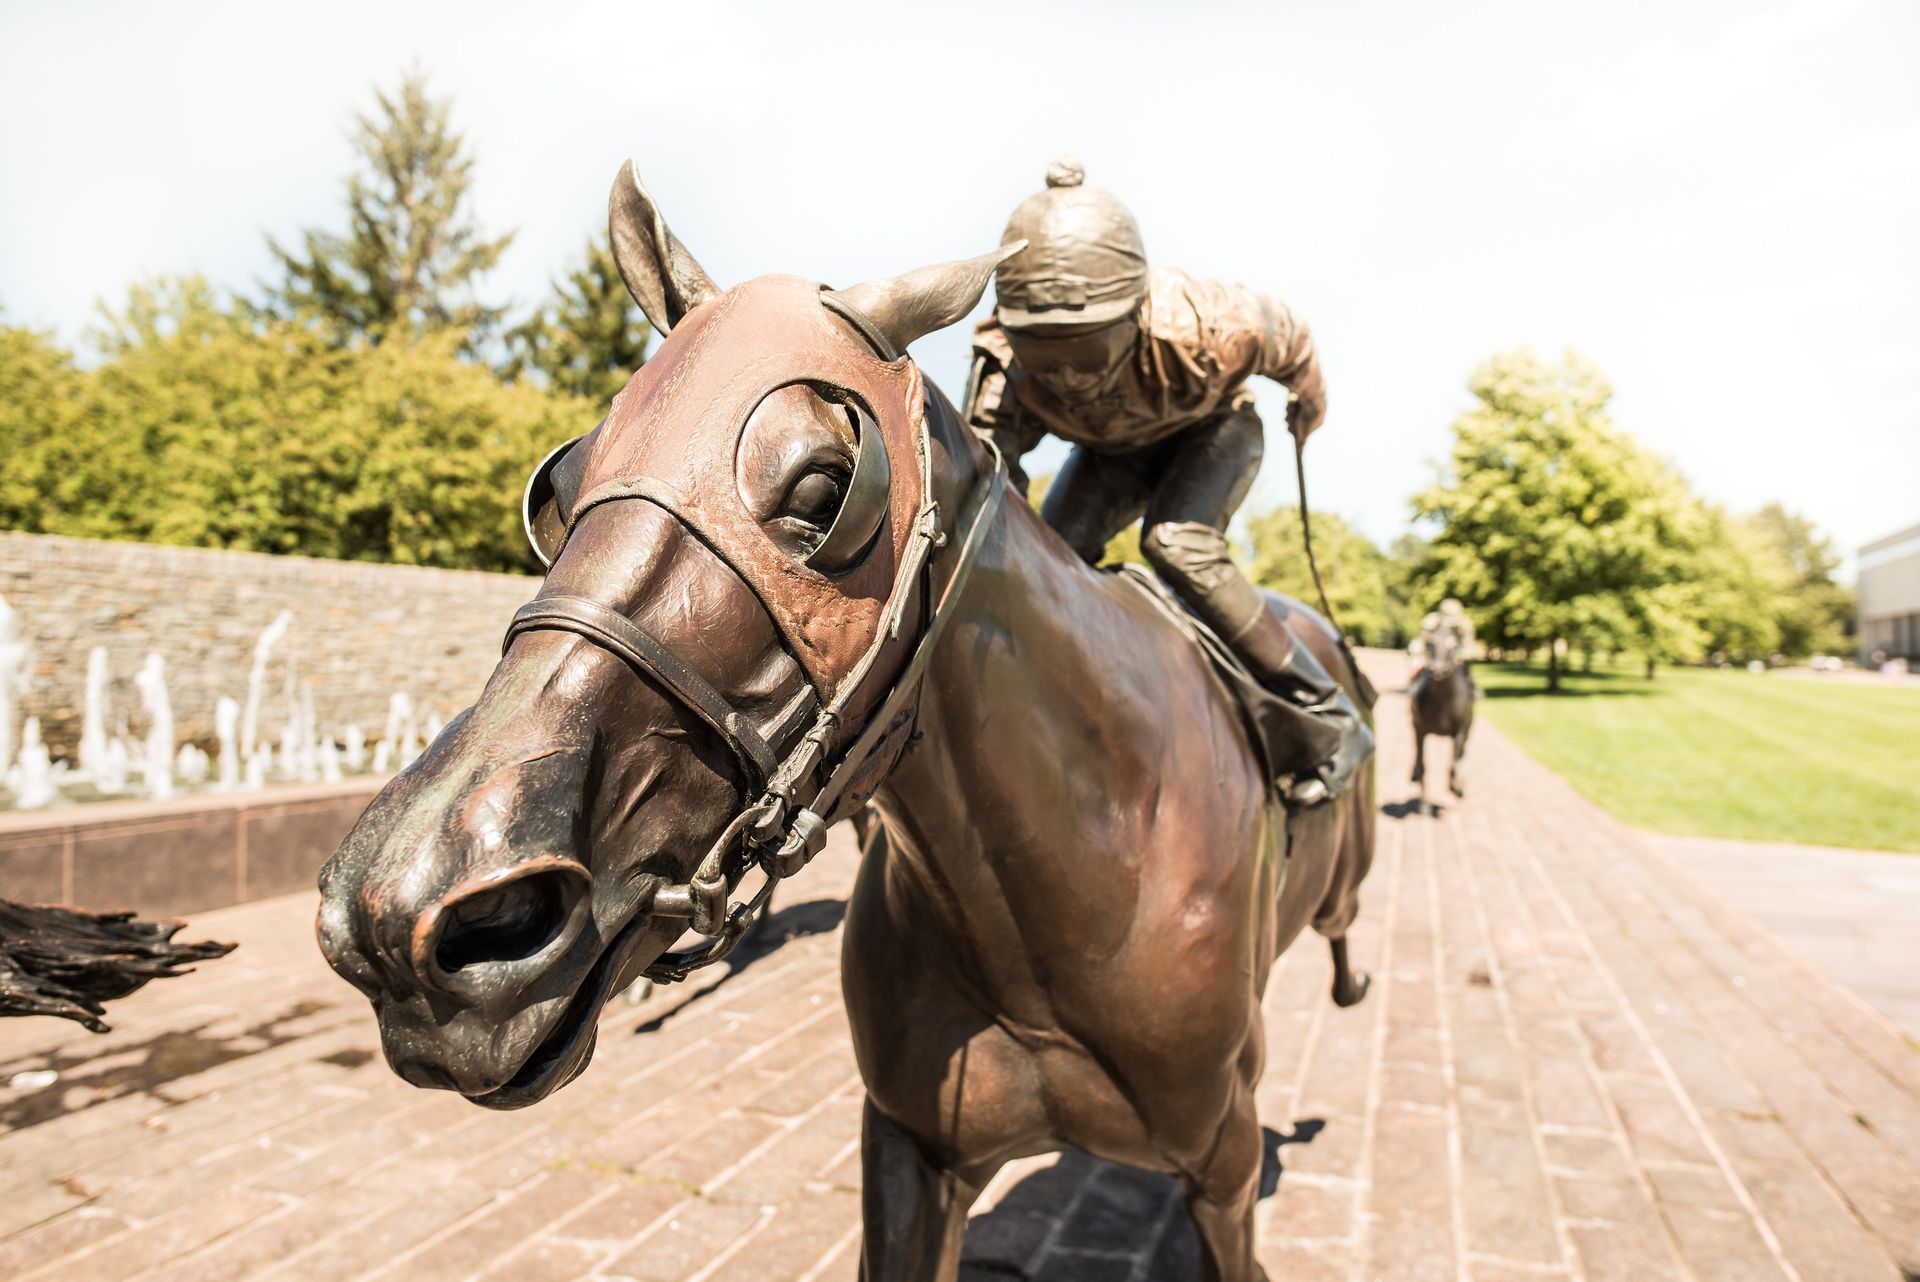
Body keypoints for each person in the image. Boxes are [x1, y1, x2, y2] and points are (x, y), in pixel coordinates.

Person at [966, 159, 1372, 806]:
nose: (1067, 377)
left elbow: (1293, 342)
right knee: (1048, 558)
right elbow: (985, 483)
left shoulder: (1213, 326)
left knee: (1177, 542)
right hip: (1110, 453)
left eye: (1087, 347)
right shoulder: (1005, 368)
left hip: (1212, 431)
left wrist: (1308, 406)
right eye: (1049, 350)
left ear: (1134, 314)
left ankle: (1327, 714)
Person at [1408, 598, 1476, 696]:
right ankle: (1414, 688)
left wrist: (1463, 653)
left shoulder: (1464, 625)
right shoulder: (1430, 621)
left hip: (1454, 657)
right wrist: (1419, 650)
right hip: (1431, 656)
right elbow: (1421, 639)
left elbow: (1468, 643)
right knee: (1418, 669)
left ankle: (1472, 688)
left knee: (1465, 669)